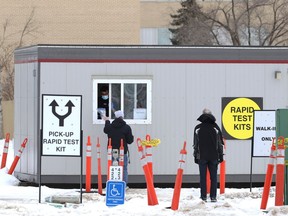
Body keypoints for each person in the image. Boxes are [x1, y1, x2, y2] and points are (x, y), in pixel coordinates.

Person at [193, 108, 224, 202]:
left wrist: (195, 156)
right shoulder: (216, 128)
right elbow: (220, 144)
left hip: (202, 156)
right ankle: (213, 197)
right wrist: (221, 156)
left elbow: (195, 144)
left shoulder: (197, 128)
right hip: (214, 156)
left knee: (203, 178)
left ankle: (203, 197)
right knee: (213, 178)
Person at [103, 110, 134, 185]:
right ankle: (124, 185)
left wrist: (107, 121)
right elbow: (130, 141)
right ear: (122, 117)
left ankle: (112, 183)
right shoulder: (126, 127)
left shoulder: (110, 127)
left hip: (111, 151)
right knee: (124, 168)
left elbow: (105, 130)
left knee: (112, 167)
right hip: (123, 151)